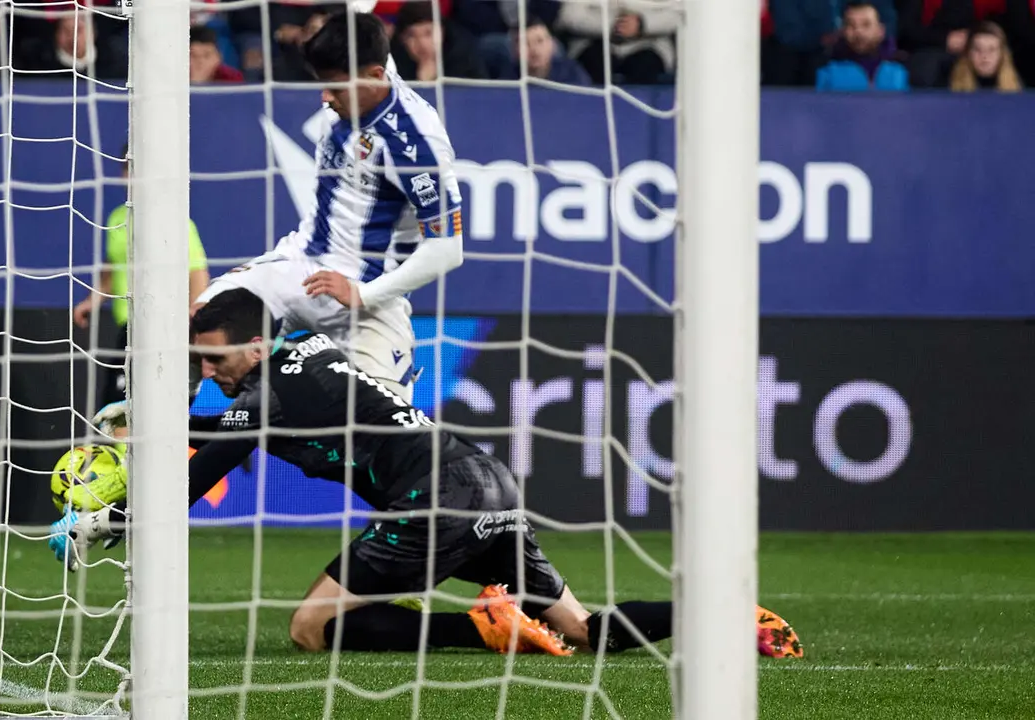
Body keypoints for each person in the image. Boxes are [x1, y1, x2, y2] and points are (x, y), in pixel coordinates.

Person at [65, 289, 805, 659]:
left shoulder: (272, 390)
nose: (208, 371)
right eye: (199, 361)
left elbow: (202, 472)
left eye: (215, 359)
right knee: (580, 628)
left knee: (310, 628)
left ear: (257, 346)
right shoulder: (301, 360)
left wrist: (115, 517)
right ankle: (722, 619)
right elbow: (215, 435)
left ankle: (483, 628)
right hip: (486, 480)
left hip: (433, 501)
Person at [191, 11, 465, 404]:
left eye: (335, 87)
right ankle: (140, 440)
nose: (324, 97)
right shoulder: (364, 62)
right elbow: (358, 17)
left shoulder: (416, 145)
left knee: (382, 437)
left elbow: (447, 250)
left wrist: (364, 295)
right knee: (193, 319)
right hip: (300, 265)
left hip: (366, 299)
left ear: (373, 76)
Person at [73, 143, 211, 411]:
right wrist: (92, 300)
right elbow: (113, 266)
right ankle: (123, 454)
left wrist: (192, 318)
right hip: (128, 330)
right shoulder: (116, 218)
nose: (130, 175)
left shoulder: (174, 219)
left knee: (161, 407)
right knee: (115, 410)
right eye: (126, 168)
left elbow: (197, 271)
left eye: (136, 168)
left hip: (165, 329)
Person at [948, 22, 1023, 92]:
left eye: (991, 50)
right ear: (968, 53)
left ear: (1002, 54)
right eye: (977, 49)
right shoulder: (949, 89)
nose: (984, 56)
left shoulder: (1017, 91)